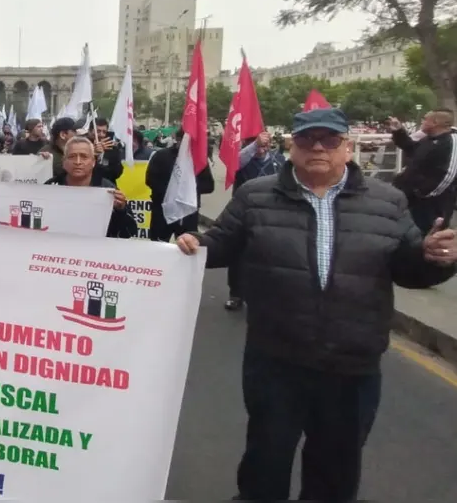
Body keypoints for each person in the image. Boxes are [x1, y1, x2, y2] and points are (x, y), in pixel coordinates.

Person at [175, 109, 457, 501]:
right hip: (275, 360)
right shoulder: (255, 194)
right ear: (293, 146)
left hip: (352, 365)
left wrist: (433, 259)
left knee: (336, 468)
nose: (319, 148)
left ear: (348, 147)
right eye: (308, 140)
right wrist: (192, 245)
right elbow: (221, 242)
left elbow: (408, 268)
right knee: (265, 460)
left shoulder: (387, 201)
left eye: (330, 140)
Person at [225, 130, 286, 311]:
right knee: (238, 254)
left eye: (264, 146)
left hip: (273, 214)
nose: (262, 149)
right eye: (258, 146)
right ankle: (236, 294)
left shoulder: (279, 161)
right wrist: (254, 145)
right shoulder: (243, 161)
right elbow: (234, 163)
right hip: (245, 213)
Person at [45, 136, 137, 238]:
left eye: (84, 157)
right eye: (72, 156)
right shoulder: (50, 187)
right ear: (64, 162)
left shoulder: (108, 190)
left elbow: (128, 233)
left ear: (93, 162)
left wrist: (121, 210)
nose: (78, 162)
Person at [388, 110, 457, 233]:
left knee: (427, 239)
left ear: (435, 122)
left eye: (425, 119)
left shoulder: (450, 142)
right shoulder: (429, 139)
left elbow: (448, 174)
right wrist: (398, 131)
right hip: (413, 200)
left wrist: (421, 192)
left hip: (431, 206)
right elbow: (411, 149)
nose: (422, 121)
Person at [145, 128, 215, 241]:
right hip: (163, 211)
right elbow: (150, 180)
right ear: (177, 139)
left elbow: (209, 186)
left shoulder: (199, 161)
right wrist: (171, 190)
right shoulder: (161, 156)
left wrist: (188, 188)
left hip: (188, 213)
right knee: (158, 247)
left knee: (187, 250)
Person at [91, 117, 124, 183]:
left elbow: (117, 173)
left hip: (107, 185)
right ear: (90, 131)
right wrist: (93, 154)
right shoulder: (83, 146)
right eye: (98, 131)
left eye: (104, 132)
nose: (101, 135)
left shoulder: (112, 149)